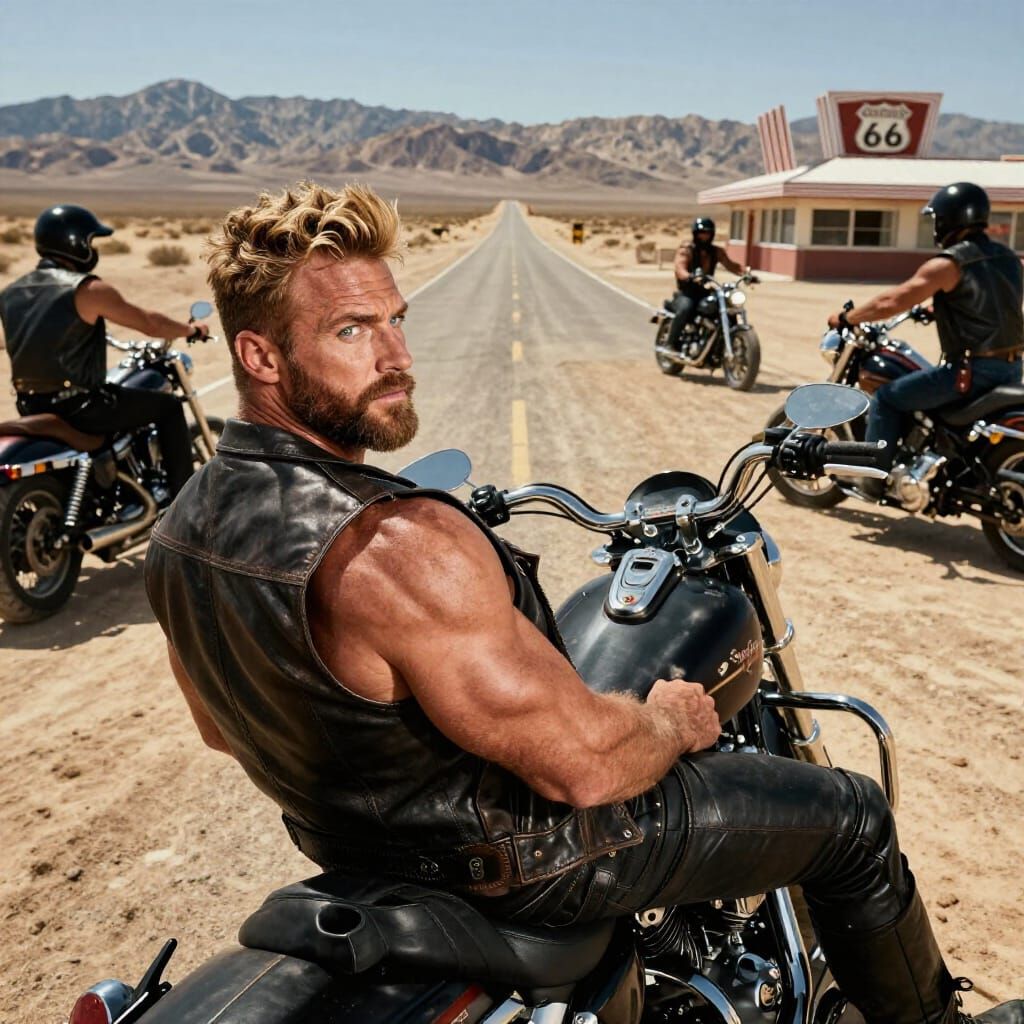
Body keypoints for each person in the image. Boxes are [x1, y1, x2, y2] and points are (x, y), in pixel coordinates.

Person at [143, 181, 1018, 1024]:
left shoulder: (182, 527)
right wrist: (672, 721)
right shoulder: (396, 543)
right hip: (522, 863)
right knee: (853, 816)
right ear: (259, 356)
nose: (397, 355)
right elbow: (587, 771)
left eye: (397, 320)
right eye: (351, 329)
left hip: (350, 852)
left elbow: (222, 727)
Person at [0, 204, 211, 498]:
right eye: (91, 241)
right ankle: (185, 507)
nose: (93, 249)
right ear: (77, 244)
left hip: (31, 405)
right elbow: (148, 322)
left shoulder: (11, 292)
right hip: (83, 407)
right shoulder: (88, 290)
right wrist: (189, 329)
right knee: (169, 407)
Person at [827, 182, 1024, 498]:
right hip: (1011, 369)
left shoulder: (948, 264)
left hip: (970, 372)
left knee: (888, 398)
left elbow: (891, 301)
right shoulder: (1009, 258)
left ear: (948, 220)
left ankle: (873, 475)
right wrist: (941, 307)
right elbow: (996, 303)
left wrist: (847, 318)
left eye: (937, 219)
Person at [666, 216, 753, 352]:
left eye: (707, 233)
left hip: (705, 291)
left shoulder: (716, 251)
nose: (704, 236)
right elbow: (680, 267)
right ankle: (670, 343)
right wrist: (689, 276)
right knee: (686, 308)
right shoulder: (687, 250)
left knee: (723, 304)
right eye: (702, 233)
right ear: (695, 234)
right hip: (688, 292)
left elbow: (731, 265)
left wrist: (747, 274)